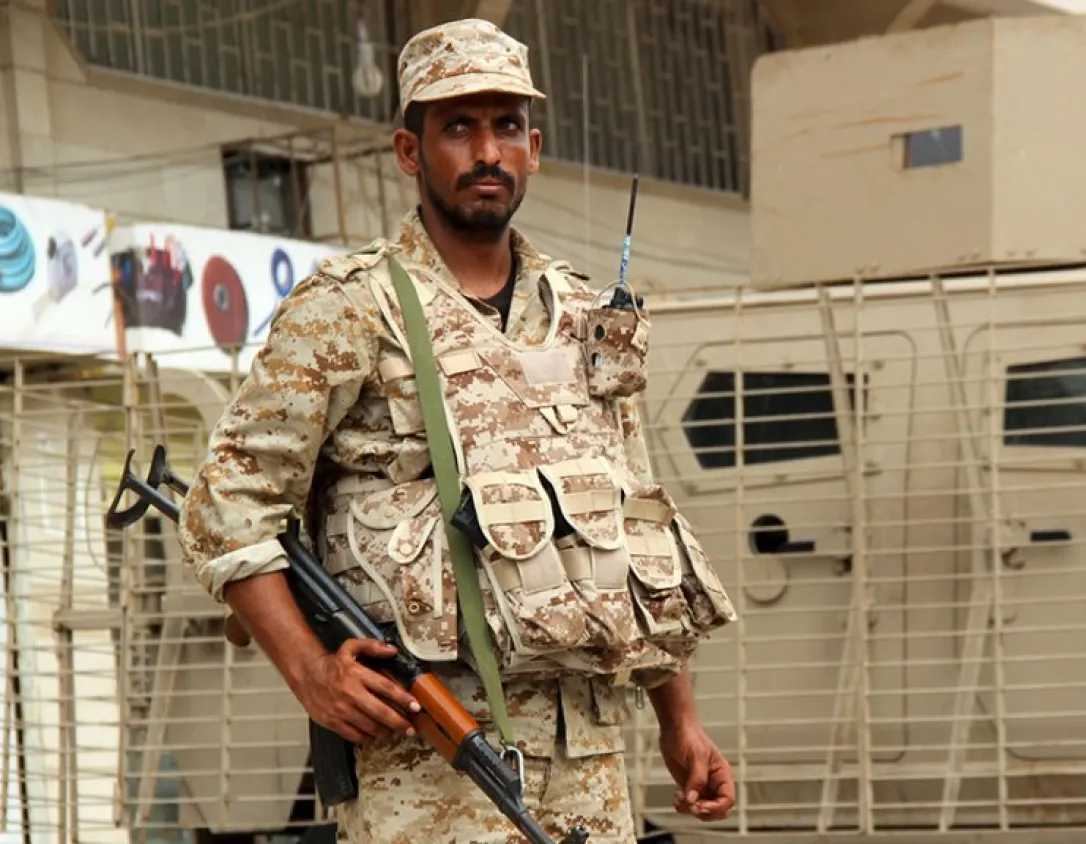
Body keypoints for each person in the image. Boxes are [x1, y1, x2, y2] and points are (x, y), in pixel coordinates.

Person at [177, 18, 738, 844]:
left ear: (534, 147)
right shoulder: (349, 306)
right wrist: (310, 673)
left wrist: (678, 723)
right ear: (411, 152)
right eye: (458, 128)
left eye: (506, 126)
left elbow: (633, 523)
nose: (487, 152)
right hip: (425, 760)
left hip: (588, 757)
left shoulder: (586, 314)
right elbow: (226, 505)